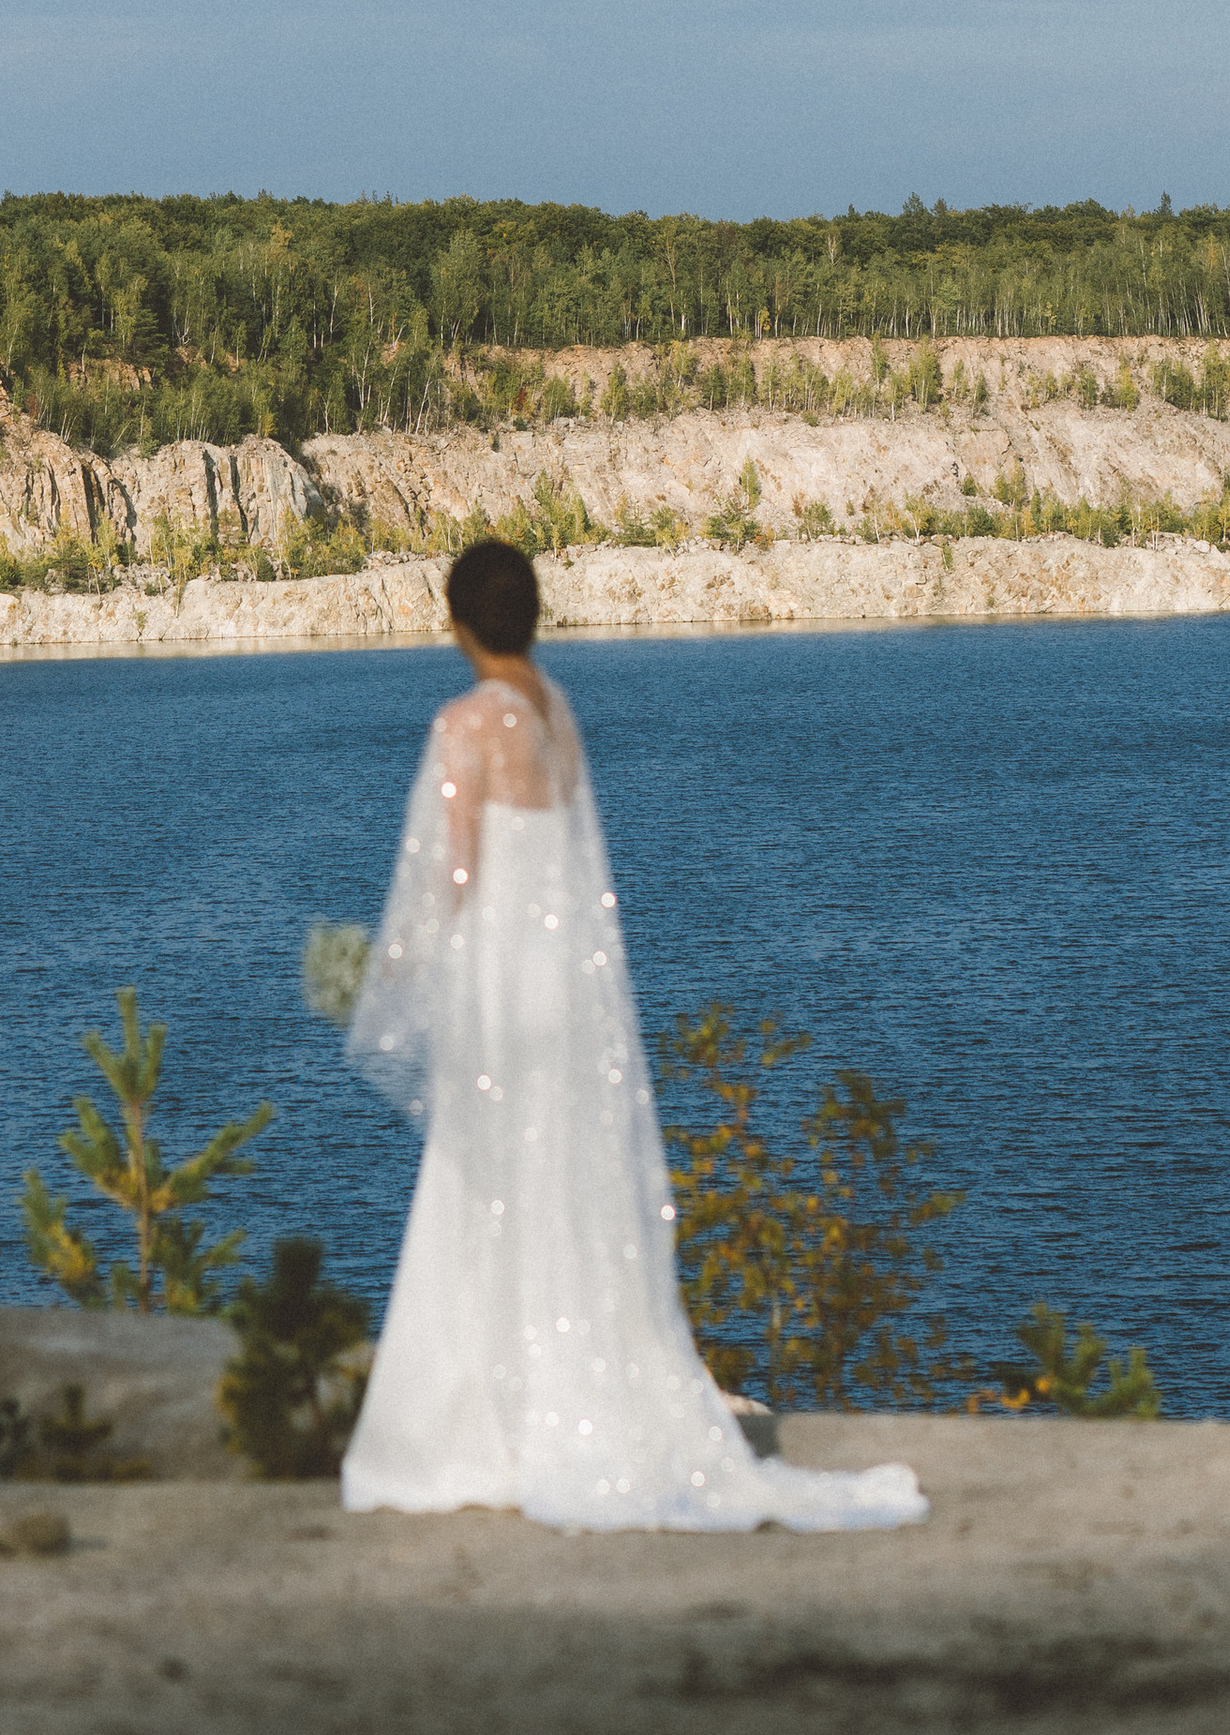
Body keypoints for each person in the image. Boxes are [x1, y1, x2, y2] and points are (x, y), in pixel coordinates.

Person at [338, 536, 926, 1534]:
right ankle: (578, 1392)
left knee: (485, 1176)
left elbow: (454, 875)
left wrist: (389, 967)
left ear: (458, 623)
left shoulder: (467, 722)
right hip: (562, 987)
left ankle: (486, 1426)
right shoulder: (557, 712)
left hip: (503, 985)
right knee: (560, 1181)